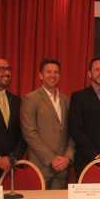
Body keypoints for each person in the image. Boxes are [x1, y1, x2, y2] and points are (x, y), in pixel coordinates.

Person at [20, 59, 75, 189]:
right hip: (41, 166)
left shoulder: (66, 100)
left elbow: (72, 132)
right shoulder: (30, 99)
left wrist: (67, 157)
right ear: (40, 75)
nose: (52, 75)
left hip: (62, 167)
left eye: (56, 72)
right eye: (48, 72)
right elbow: (29, 133)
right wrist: (51, 159)